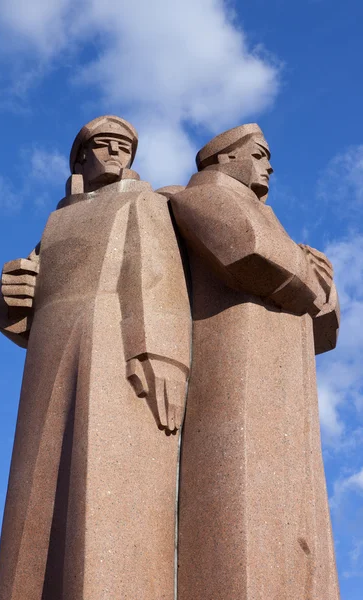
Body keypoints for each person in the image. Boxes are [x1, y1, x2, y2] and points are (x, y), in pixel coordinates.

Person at [0, 115, 191, 600]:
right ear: (80, 156)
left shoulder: (143, 203)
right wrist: (8, 300)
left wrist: (160, 353)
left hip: (111, 342)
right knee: (36, 493)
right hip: (49, 351)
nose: (116, 152)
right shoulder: (57, 220)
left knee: (103, 480)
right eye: (104, 144)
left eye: (125, 146)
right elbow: (28, 295)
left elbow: (156, 277)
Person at [170, 123, 340, 600]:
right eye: (260, 154)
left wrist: (321, 284)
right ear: (224, 158)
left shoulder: (270, 218)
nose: (269, 167)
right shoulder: (202, 198)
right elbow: (248, 251)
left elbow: (323, 329)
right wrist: (309, 273)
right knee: (242, 498)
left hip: (286, 373)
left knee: (295, 515)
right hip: (234, 360)